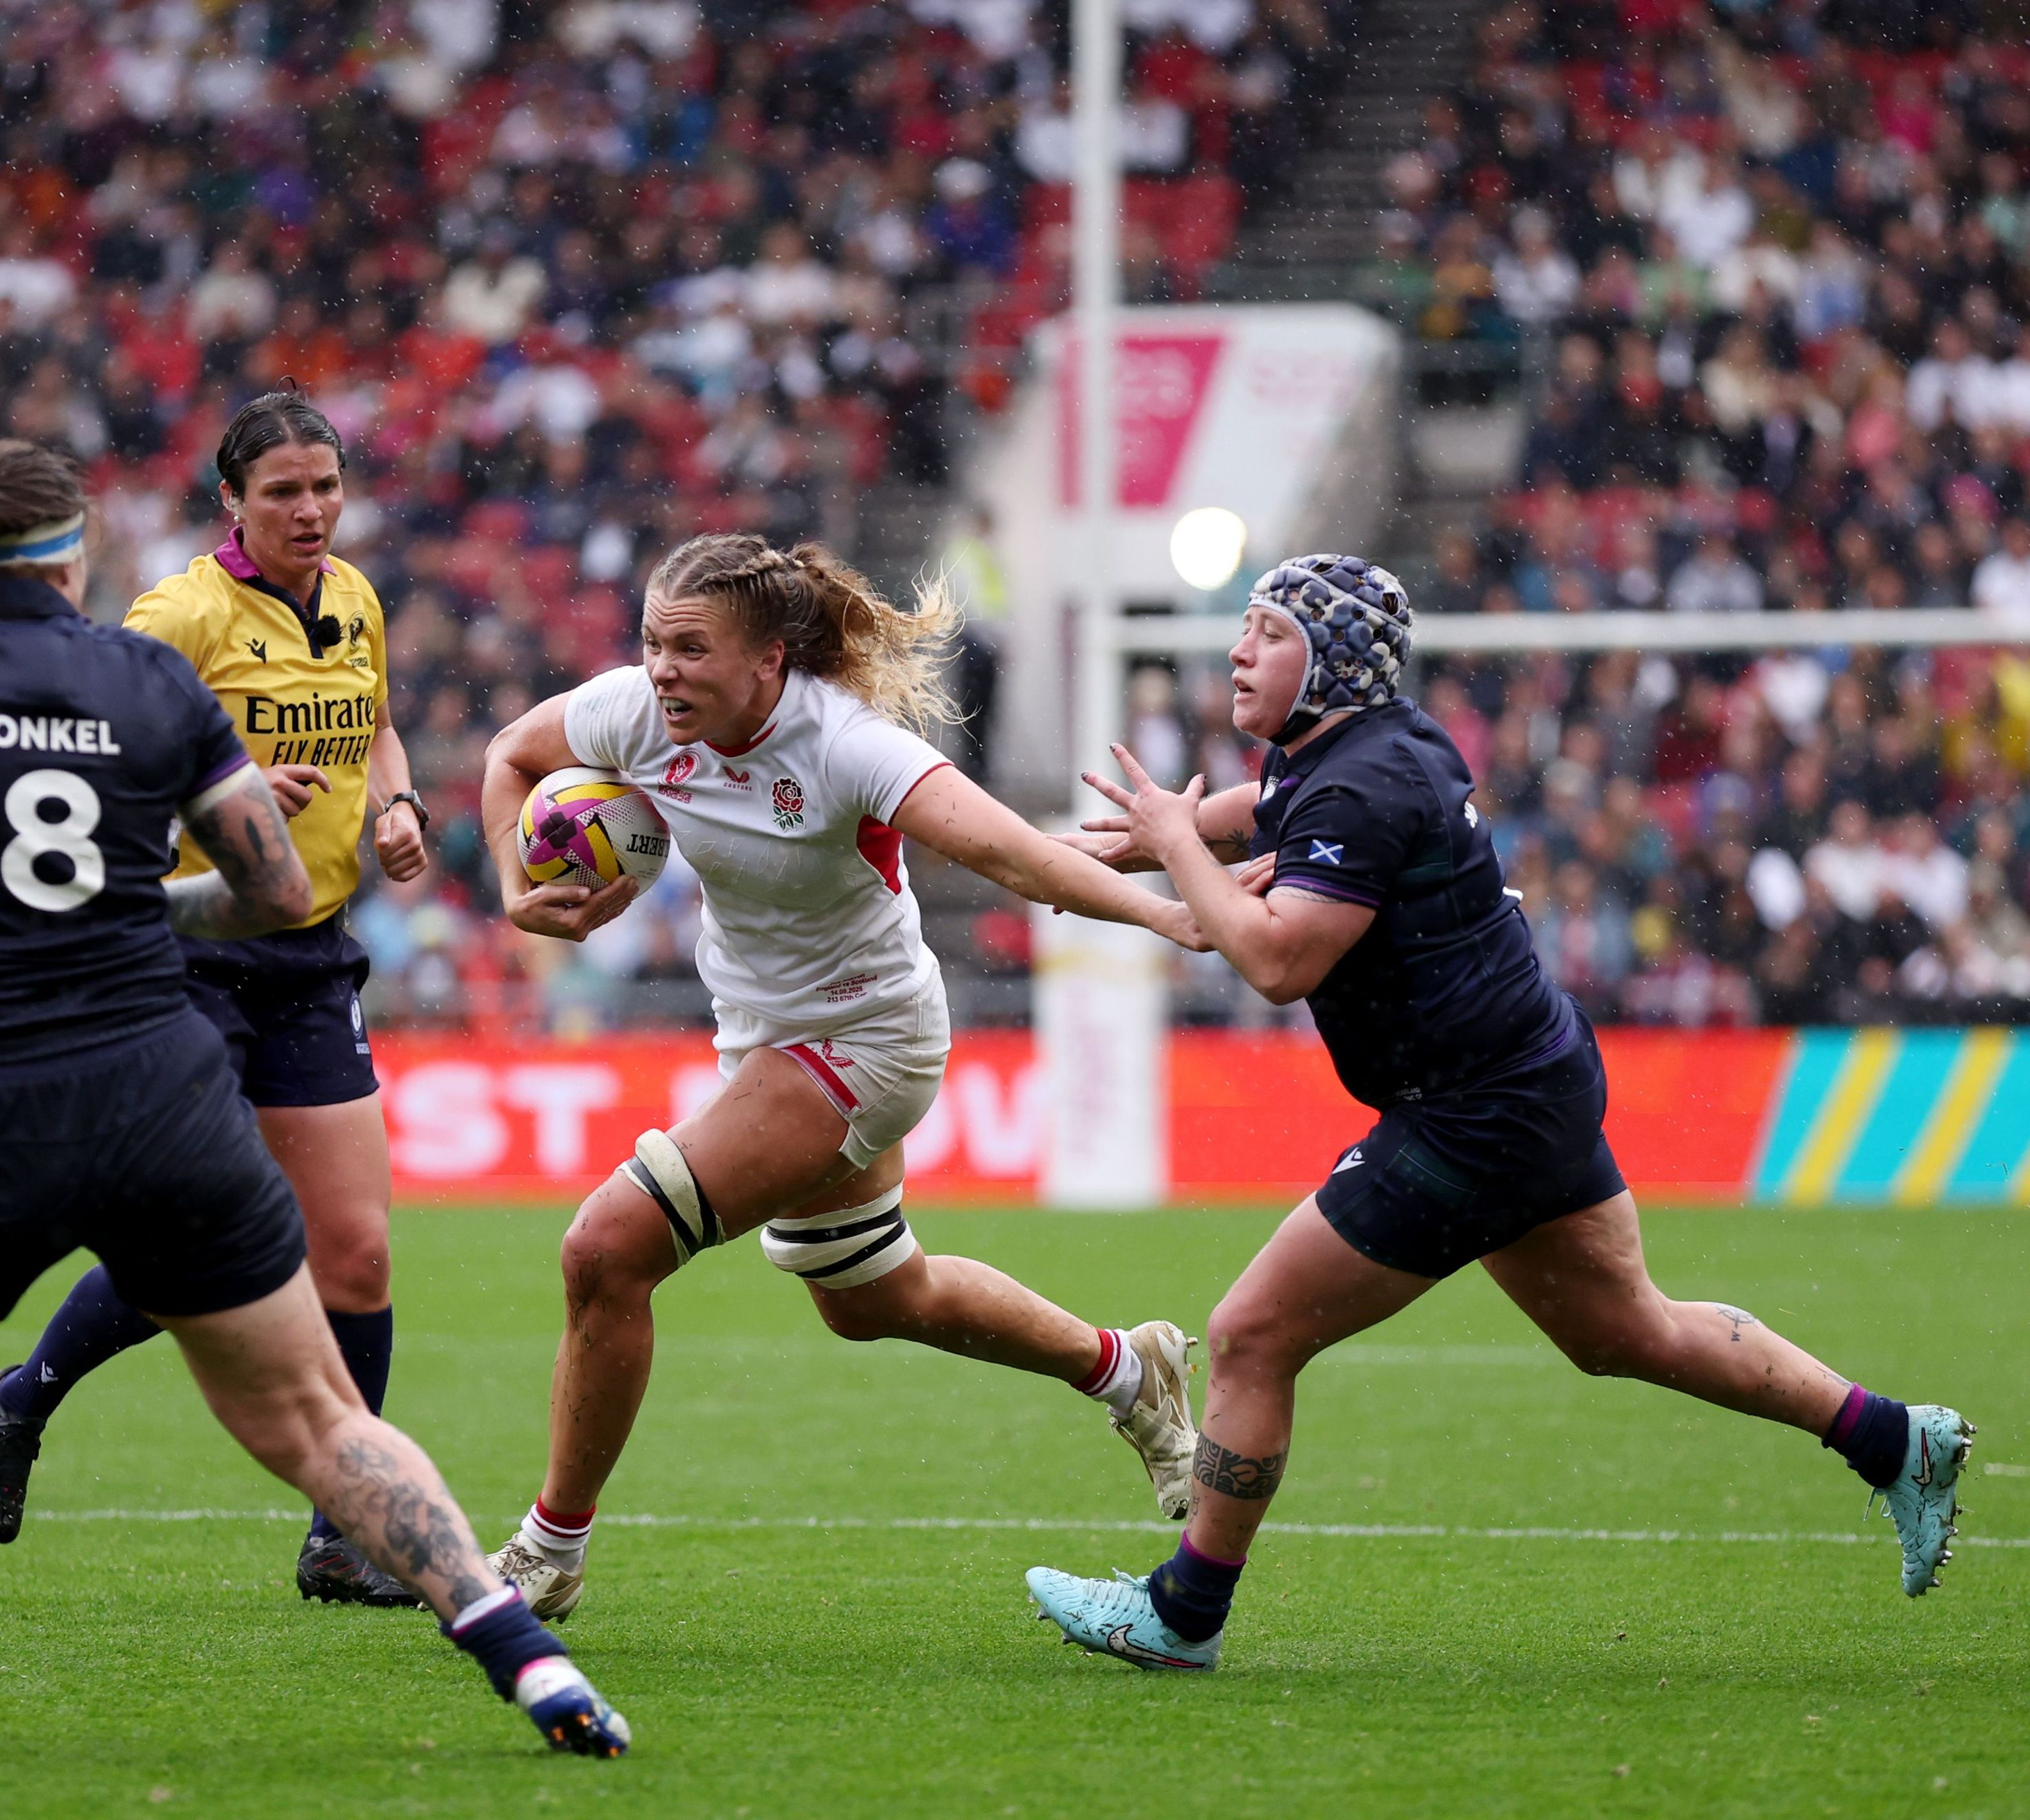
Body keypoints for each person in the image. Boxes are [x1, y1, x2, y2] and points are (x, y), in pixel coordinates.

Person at [0, 440, 627, 1755]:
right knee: (320, 1415)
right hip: (156, 1086)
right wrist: (125, 904)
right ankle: (532, 1662)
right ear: (74, 552)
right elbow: (278, 889)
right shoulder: (154, 674)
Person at [1024, 554, 1972, 1670]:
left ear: (1329, 664)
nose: (1237, 650)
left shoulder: (1359, 784)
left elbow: (1277, 961)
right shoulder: (1374, 746)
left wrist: (1177, 844)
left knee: (1252, 1334)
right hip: (1530, 1081)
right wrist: (1177, 831)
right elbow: (1263, 810)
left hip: (1470, 1114)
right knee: (1628, 1330)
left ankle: (1182, 1614)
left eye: (1266, 632)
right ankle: (1892, 1438)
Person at [474, 532, 1208, 1620]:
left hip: (864, 1039)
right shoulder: (634, 711)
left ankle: (549, 1550)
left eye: (689, 648)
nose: (662, 668)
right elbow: (510, 756)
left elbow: (1008, 851)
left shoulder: (845, 745)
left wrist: (1166, 911)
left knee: (605, 1247)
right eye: (650, 643)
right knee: (872, 1299)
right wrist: (513, 880)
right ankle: (1126, 1369)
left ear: (770, 660)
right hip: (762, 1037)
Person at [0, 388, 432, 1608]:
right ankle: (23, 1397)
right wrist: (209, 806)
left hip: (313, 953)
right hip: (186, 953)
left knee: (360, 1250)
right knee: (192, 1233)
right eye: (283, 491)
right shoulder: (176, 615)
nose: (312, 510)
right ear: (230, 499)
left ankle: (344, 1530)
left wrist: (397, 802)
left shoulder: (356, 595)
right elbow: (78, 777)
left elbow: (377, 725)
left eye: (325, 486)